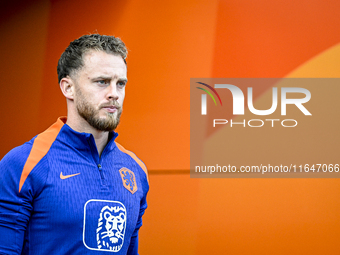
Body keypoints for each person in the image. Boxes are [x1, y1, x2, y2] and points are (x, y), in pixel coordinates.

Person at [0, 34, 149, 254]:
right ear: (68, 88)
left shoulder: (136, 170)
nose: (114, 94)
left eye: (121, 84)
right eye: (102, 82)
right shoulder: (24, 163)